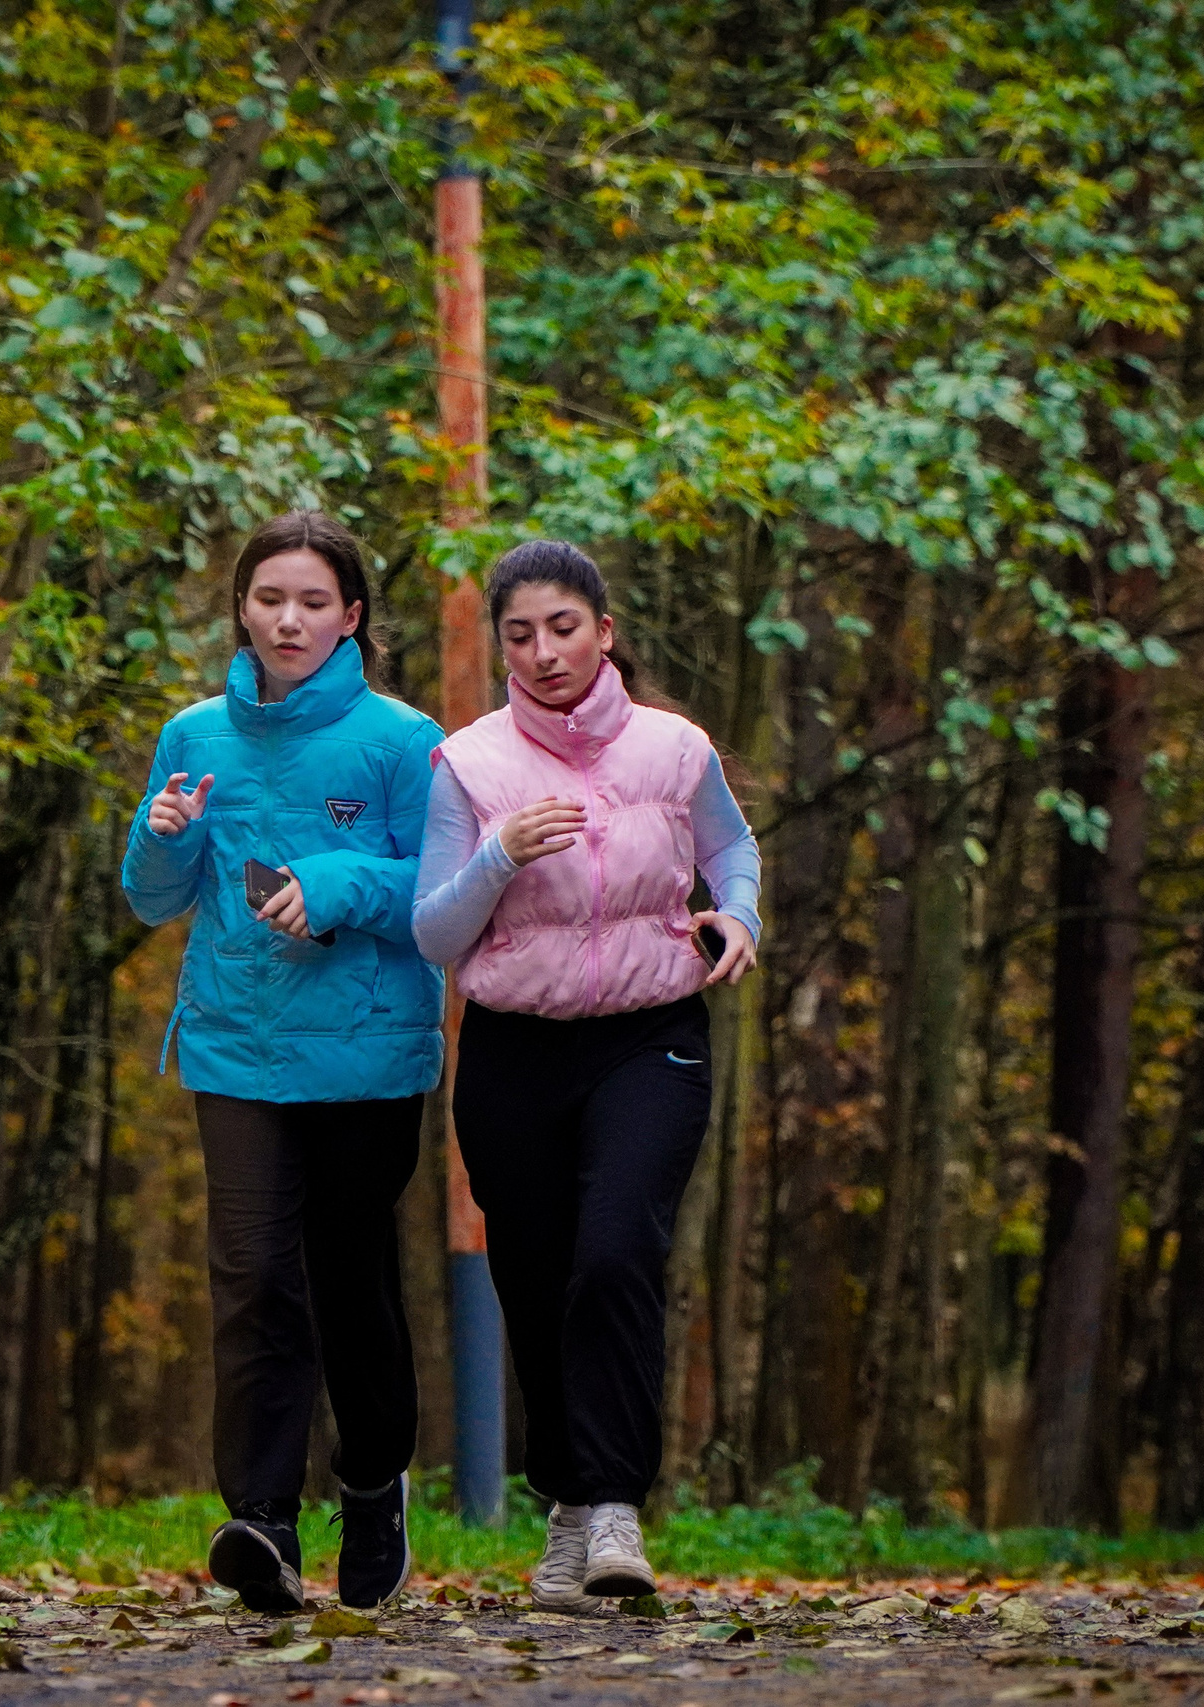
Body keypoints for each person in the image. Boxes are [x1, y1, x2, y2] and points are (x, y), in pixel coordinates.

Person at [412, 540, 761, 1612]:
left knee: (616, 1253)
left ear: (603, 631)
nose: (543, 650)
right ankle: (567, 1507)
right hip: (515, 1053)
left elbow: (731, 851)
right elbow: (433, 932)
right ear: (501, 649)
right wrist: (499, 854)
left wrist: (736, 916)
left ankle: (612, 1505)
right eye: (519, 634)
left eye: (563, 626)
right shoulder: (469, 766)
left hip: (649, 1036)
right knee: (537, 1278)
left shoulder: (673, 749)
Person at [120, 511, 445, 1613]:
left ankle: (369, 1486)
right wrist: (161, 834)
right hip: (234, 1049)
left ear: (351, 617)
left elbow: (440, 899)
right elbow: (151, 899)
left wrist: (341, 883)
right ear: (241, 611)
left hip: (363, 1056)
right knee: (252, 1280)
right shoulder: (192, 734)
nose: (288, 619)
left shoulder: (403, 741)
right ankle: (260, 1522)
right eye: (269, 599)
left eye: (312, 601)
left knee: (349, 1282)